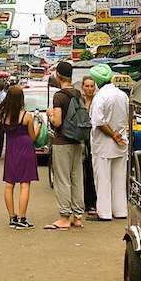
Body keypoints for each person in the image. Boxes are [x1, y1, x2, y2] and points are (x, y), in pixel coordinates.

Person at [44, 61, 86, 230]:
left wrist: (50, 114)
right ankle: (77, 216)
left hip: (62, 142)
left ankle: (64, 217)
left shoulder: (59, 96)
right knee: (77, 178)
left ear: (59, 76)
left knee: (62, 179)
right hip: (78, 140)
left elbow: (58, 121)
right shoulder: (78, 94)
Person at [88, 64, 129, 221]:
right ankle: (120, 211)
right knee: (119, 178)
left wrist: (112, 135)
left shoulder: (100, 97)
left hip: (104, 144)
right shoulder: (122, 95)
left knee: (103, 179)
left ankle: (104, 212)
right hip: (121, 142)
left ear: (97, 81)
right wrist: (118, 135)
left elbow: (99, 121)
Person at [0, 85, 40, 228]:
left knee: (9, 184)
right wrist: (38, 127)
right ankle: (22, 218)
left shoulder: (3, 115)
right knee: (25, 184)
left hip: (11, 149)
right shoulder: (26, 116)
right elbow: (33, 137)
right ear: (21, 99)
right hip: (26, 148)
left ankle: (12, 217)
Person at [80, 76, 98, 215]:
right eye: (87, 86)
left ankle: (92, 202)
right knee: (82, 172)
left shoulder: (98, 101)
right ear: (82, 87)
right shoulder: (79, 102)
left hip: (95, 140)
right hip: (81, 140)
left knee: (93, 172)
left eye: (92, 86)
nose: (89, 89)